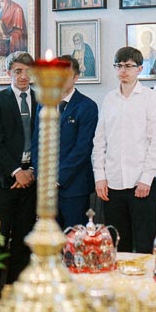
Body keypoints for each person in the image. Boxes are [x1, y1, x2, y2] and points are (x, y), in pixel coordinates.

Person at [92, 46, 156, 253]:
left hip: (141, 182)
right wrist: (100, 176)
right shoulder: (109, 99)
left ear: (140, 69)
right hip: (113, 181)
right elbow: (100, 141)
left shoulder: (150, 98)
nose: (123, 70)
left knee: (144, 243)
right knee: (117, 242)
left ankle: (144, 286)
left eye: (128, 66)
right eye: (119, 66)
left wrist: (146, 178)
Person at [0, 52, 38, 287]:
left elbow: (44, 138)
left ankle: (17, 293)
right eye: (18, 71)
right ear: (9, 73)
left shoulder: (42, 99)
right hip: (4, 181)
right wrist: (17, 171)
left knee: (24, 241)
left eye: (27, 71)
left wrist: (32, 170)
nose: (23, 76)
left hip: (31, 181)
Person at [31, 56, 99, 229]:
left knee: (73, 240)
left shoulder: (87, 106)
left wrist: (57, 178)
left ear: (76, 77)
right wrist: (42, 175)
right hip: (45, 188)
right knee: (48, 237)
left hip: (74, 187)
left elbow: (83, 148)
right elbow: (37, 142)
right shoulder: (44, 103)